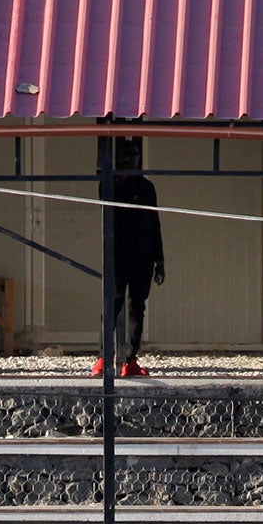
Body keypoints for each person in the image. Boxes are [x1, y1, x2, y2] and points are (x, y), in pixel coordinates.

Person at [94, 138, 164, 378]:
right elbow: (103, 202)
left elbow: (155, 224)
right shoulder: (111, 185)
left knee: (137, 306)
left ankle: (131, 358)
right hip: (116, 255)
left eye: (134, 157)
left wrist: (160, 260)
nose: (131, 161)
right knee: (111, 305)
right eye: (127, 157)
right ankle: (104, 357)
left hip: (142, 256)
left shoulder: (147, 188)